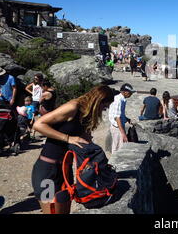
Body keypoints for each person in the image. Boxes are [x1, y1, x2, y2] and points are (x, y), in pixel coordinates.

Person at [31, 85, 115, 214]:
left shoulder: (85, 114)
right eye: (105, 105)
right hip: (47, 170)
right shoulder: (73, 107)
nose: (105, 109)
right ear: (98, 100)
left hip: (65, 170)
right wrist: (68, 138)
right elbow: (38, 124)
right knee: (52, 212)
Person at [108, 84, 135, 154]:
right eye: (130, 92)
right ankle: (115, 164)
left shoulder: (121, 99)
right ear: (124, 92)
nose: (131, 94)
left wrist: (127, 119)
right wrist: (123, 134)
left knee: (118, 146)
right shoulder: (118, 100)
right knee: (118, 148)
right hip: (117, 127)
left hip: (118, 126)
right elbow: (117, 117)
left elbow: (120, 114)